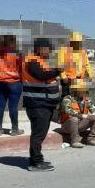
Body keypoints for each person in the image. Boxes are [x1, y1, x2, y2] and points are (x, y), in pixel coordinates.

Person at [22, 38, 62, 171]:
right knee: (38, 134)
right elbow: (41, 75)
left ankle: (36, 158)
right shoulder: (32, 61)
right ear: (39, 48)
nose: (49, 51)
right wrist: (57, 71)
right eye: (47, 49)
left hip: (45, 103)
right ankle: (36, 162)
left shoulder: (41, 61)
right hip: (37, 103)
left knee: (41, 133)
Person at [0, 34, 24, 136]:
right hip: (14, 83)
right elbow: (22, 69)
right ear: (12, 42)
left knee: (0, 105)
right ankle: (14, 129)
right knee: (13, 106)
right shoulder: (16, 54)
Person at [60, 79, 95, 147]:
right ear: (75, 90)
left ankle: (91, 139)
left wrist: (94, 114)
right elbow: (68, 111)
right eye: (81, 89)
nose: (84, 91)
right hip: (67, 126)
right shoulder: (67, 99)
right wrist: (83, 116)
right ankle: (75, 141)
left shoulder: (86, 99)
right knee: (74, 119)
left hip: (80, 124)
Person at [58, 31, 93, 97]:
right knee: (67, 98)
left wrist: (90, 75)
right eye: (75, 42)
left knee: (79, 97)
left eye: (78, 42)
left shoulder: (83, 52)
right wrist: (63, 77)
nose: (77, 44)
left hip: (79, 79)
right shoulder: (63, 51)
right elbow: (60, 65)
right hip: (68, 79)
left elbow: (87, 64)